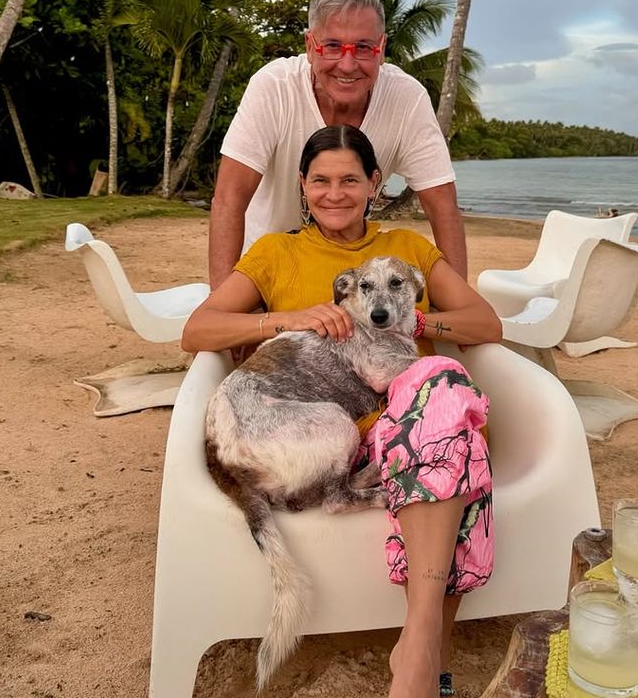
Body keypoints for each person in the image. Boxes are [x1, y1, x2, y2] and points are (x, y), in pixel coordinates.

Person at [184, 125, 502, 698]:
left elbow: (487, 325)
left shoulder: (407, 250)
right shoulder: (275, 252)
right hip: (314, 436)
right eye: (321, 180)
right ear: (302, 187)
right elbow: (196, 331)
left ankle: (417, 648)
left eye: (350, 179)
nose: (336, 193)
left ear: (374, 184)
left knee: (446, 399)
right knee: (456, 421)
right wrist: (289, 318)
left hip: (413, 424)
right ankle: (428, 652)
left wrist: (417, 323)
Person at [209, 0, 467, 288]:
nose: (347, 65)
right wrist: (223, 309)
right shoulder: (274, 88)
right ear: (309, 45)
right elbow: (228, 200)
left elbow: (443, 206)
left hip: (346, 276)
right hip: (265, 270)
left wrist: (458, 305)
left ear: (381, 48)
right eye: (332, 46)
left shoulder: (406, 99)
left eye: (363, 48)